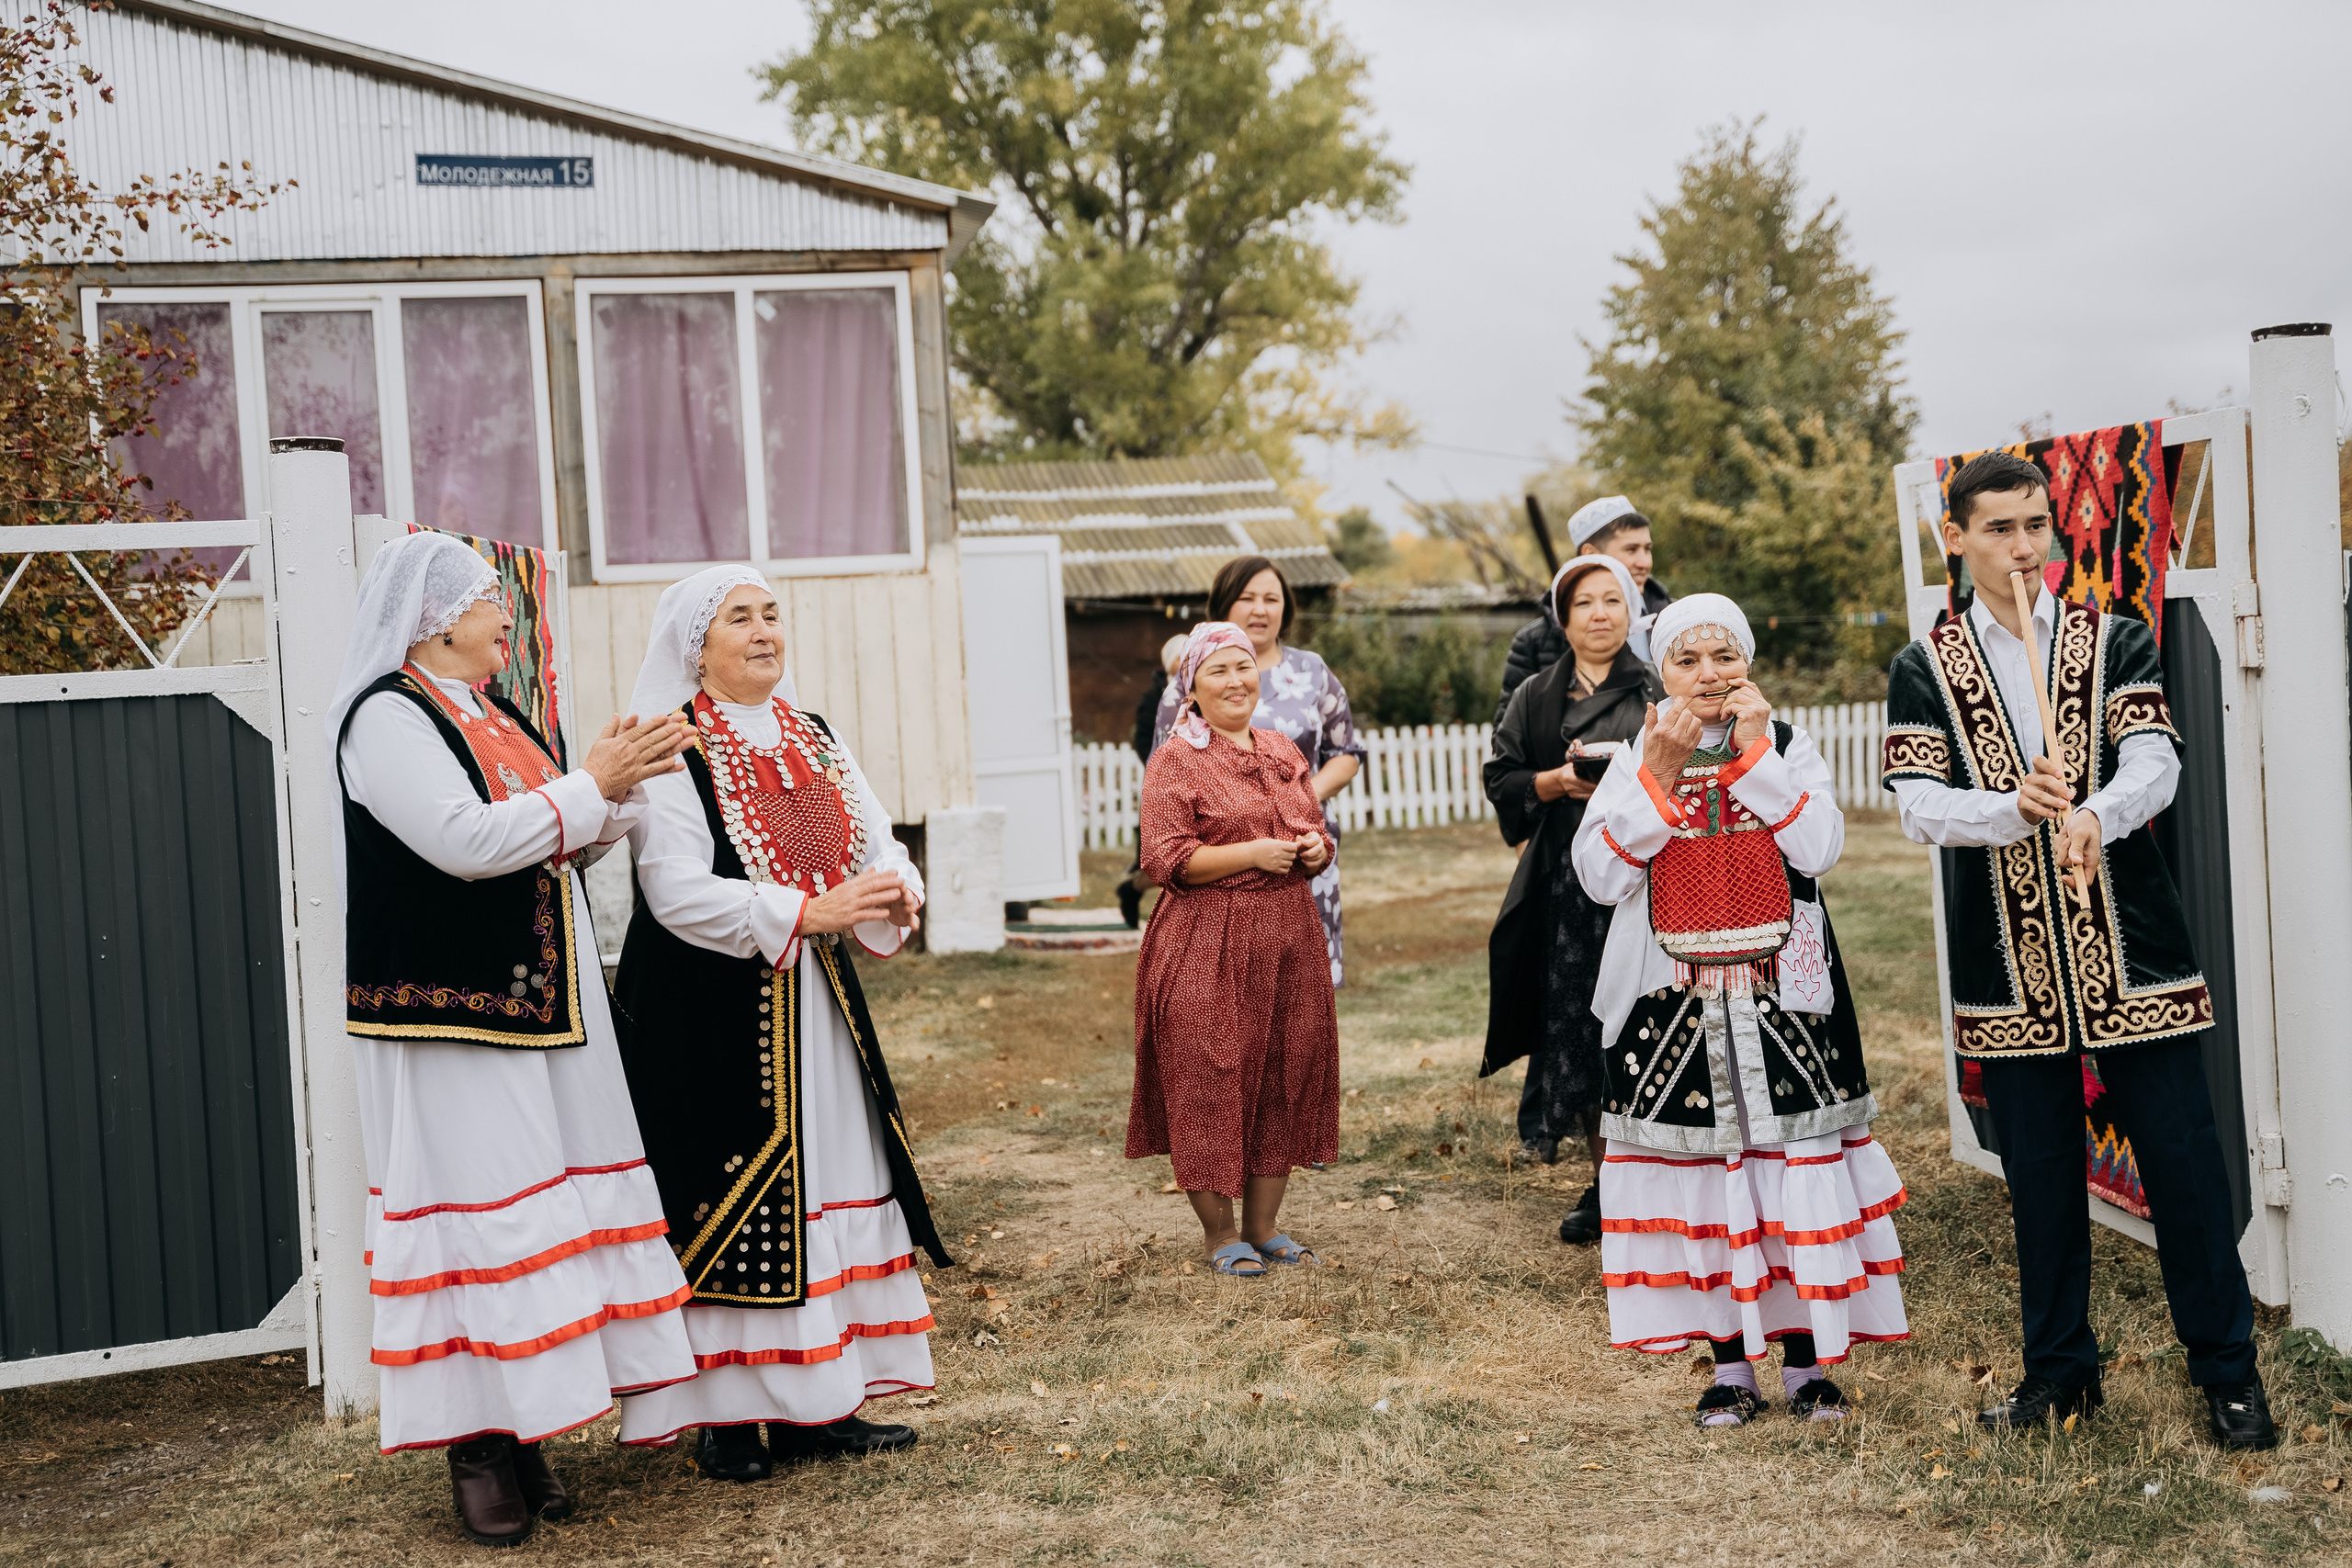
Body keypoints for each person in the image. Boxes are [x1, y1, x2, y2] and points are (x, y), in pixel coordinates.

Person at [1883, 451, 2272, 1449]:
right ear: (1954, 540)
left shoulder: (2114, 640)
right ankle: (2060, 1375)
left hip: (2135, 955)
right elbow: (1920, 809)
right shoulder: (1922, 667)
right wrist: (2010, 807)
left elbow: (2156, 758)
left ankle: (2227, 1371)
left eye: (2036, 527)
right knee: (2042, 1182)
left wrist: (2097, 811)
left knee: (2185, 1168)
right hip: (2007, 974)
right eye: (2001, 530)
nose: (2024, 548)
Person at [329, 530, 699, 1549]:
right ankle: (478, 1444)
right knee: (481, 1219)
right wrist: (588, 785)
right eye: (492, 599)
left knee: (544, 1221)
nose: (507, 615)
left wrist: (620, 782)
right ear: (439, 616)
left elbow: (557, 832)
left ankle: (528, 1426)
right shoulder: (385, 719)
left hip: (543, 1004)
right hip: (455, 1013)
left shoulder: (494, 712)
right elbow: (464, 842)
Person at [608, 566, 952, 1479]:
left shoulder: (813, 735)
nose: (764, 632)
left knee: (828, 1177)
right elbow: (674, 890)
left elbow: (879, 842)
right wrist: (806, 914)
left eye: (771, 615)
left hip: (813, 1002)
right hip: (708, 1010)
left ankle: (819, 1404)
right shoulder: (669, 745)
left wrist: (894, 891)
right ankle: (729, 1415)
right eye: (739, 619)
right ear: (697, 646)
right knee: (730, 1194)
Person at [1572, 592, 1906, 1427]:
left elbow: (1820, 847)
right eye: (1687, 660)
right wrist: (1654, 776)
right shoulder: (1638, 756)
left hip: (1781, 999)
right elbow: (1600, 876)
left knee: (1789, 1174)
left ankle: (1806, 1366)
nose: (1709, 675)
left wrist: (1759, 756)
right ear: (1662, 672)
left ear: (1748, 663)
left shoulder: (1788, 744)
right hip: (1673, 1005)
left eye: (1724, 657)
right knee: (1707, 1184)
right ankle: (1728, 1369)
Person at [1130, 622, 1340, 1278]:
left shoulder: (1280, 747)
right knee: (1208, 1074)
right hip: (1204, 936)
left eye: (1244, 667)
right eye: (1218, 670)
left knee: (1283, 1066)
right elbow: (1164, 859)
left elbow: (1316, 829)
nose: (1235, 681)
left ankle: (1264, 1225)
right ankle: (1220, 1232)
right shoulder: (1176, 758)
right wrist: (1250, 853)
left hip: (1288, 936)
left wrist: (1314, 849)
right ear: (1190, 684)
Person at [1481, 556, 1664, 1244]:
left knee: (1639, 1029)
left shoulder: (1654, 686)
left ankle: (1645, 1174)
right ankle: (1608, 1182)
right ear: (1563, 616)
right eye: (1584, 602)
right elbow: (1502, 777)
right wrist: (1556, 781)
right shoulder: (1535, 693)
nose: (1599, 614)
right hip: (1565, 881)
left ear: (1631, 612)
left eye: (1612, 600)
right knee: (1582, 1032)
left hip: (1643, 881)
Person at [1151, 556, 1364, 985]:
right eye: (1247, 598)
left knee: (1300, 990)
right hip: (1221, 869)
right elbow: (1166, 768)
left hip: (1301, 851)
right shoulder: (1187, 681)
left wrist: (1299, 798)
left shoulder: (1312, 671)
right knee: (1229, 994)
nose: (1260, 609)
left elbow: (1347, 751)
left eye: (1272, 598)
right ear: (1224, 605)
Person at [1496, 495, 1674, 724]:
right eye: (1631, 550)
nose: (1645, 562)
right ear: (1591, 555)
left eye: (1647, 549)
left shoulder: (1677, 621)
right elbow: (1509, 736)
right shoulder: (1534, 643)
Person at [1116, 633, 1191, 929]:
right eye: (1179, 655)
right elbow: (1143, 741)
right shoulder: (1154, 699)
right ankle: (1131, 891)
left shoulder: (1205, 687)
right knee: (1163, 862)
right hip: (1168, 785)